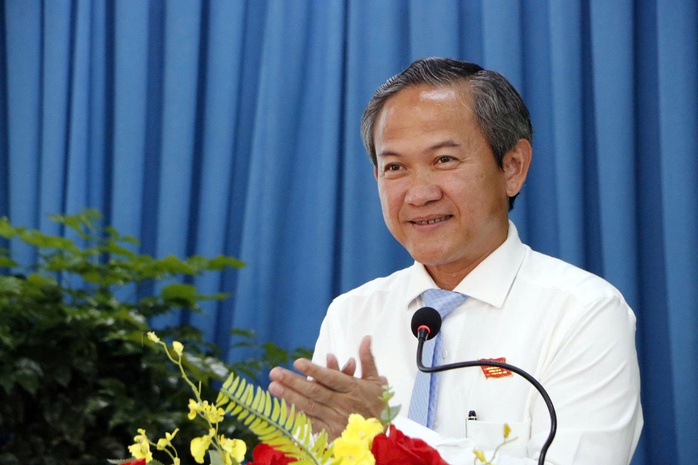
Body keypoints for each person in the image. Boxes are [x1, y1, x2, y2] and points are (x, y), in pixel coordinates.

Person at [268, 57, 643, 464]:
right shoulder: (352, 314)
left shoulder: (583, 312)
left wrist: (385, 434)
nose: (419, 194)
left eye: (444, 160)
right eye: (395, 167)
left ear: (512, 167)